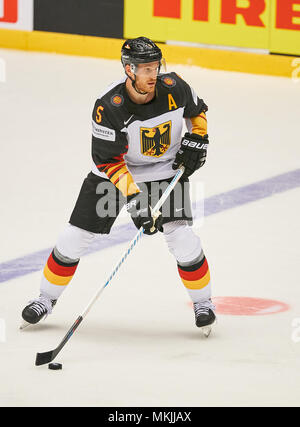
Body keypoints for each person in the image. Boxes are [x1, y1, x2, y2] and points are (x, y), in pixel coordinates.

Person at [21, 36, 216, 334]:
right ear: (129, 69)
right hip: (114, 174)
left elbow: (196, 112)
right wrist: (137, 200)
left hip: (164, 171)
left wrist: (198, 138)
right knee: (75, 237)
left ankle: (204, 304)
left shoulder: (175, 86)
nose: (153, 75)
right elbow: (109, 161)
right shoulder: (109, 106)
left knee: (182, 237)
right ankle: (45, 299)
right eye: (146, 69)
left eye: (156, 67)